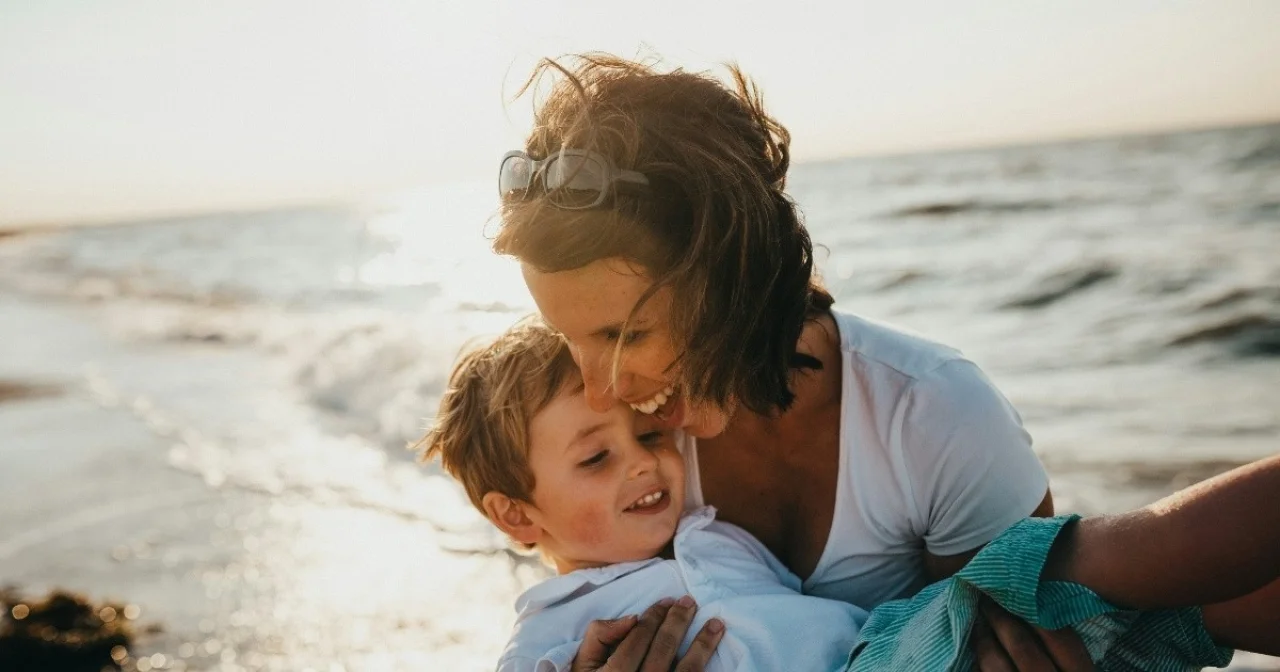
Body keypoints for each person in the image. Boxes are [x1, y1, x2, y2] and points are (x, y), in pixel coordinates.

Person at [492, 53, 1068, 669]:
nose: (600, 393)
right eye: (566, 337)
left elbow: (1022, 645)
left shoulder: (933, 416)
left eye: (625, 337)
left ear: (734, 280)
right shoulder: (619, 450)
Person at [419, 318, 1280, 671]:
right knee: (1084, 565)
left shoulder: (712, 532)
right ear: (515, 516)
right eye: (596, 461)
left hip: (899, 647)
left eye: (646, 435)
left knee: (1176, 611)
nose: (646, 464)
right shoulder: (553, 630)